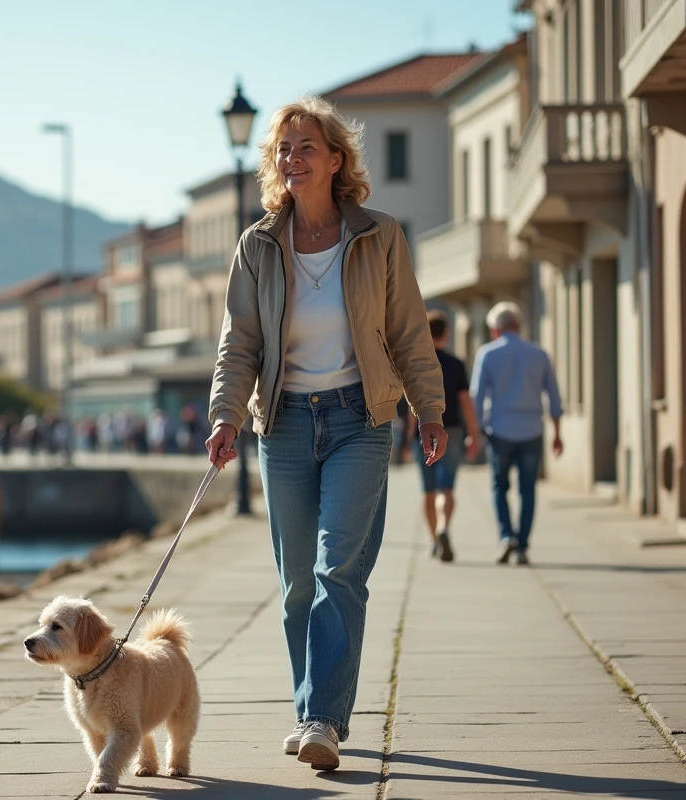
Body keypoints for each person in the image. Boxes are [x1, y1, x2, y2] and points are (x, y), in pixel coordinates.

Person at [205, 95, 446, 772]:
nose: (292, 157)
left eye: (306, 145)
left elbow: (405, 330)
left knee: (338, 567)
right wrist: (225, 416)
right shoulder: (257, 246)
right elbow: (239, 344)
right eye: (283, 147)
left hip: (358, 419)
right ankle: (312, 704)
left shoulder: (379, 235)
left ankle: (322, 720)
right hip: (282, 426)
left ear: (337, 159)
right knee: (295, 586)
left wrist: (430, 408)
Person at [470, 301, 564, 566]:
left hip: (499, 430)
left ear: (496, 329)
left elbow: (477, 396)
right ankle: (522, 546)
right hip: (532, 429)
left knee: (499, 486)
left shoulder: (487, 354)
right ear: (518, 325)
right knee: (528, 490)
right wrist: (557, 432)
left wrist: (475, 432)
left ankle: (505, 536)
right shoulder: (539, 354)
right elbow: (554, 396)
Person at [404, 310, 481, 562]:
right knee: (446, 487)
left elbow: (413, 405)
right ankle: (443, 527)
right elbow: (465, 403)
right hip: (453, 432)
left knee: (428, 490)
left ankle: (434, 540)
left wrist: (407, 438)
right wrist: (474, 434)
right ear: (446, 333)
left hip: (422, 433)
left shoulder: (418, 362)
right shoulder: (456, 364)